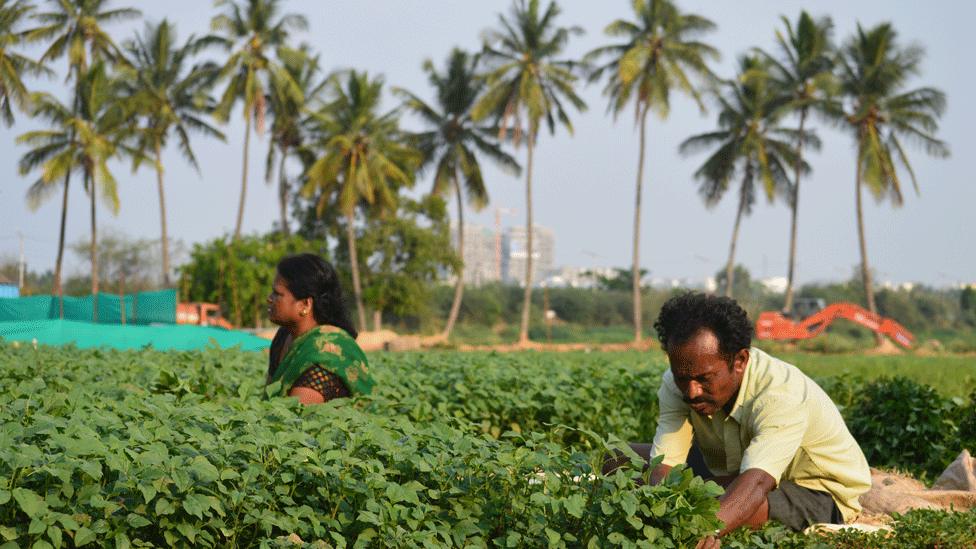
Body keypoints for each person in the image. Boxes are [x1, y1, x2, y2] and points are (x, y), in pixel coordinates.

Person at [607, 292, 871, 548]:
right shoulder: (678, 384)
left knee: (736, 505)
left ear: (740, 360)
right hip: (731, 467)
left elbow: (757, 483)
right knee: (619, 456)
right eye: (682, 378)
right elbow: (664, 462)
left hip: (812, 488)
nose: (691, 391)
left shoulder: (779, 392)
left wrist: (702, 529)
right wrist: (662, 508)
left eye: (704, 378)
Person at [265, 253, 373, 404]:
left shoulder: (325, 353)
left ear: (305, 305)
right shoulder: (284, 336)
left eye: (277, 294)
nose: (269, 298)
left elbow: (296, 418)